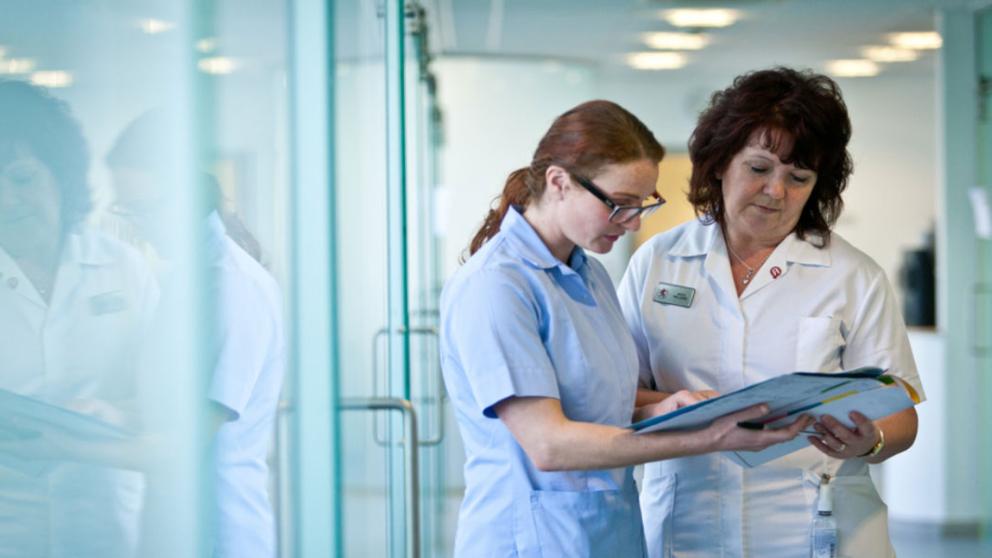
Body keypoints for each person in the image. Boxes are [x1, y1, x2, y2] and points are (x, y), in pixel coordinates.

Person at [440, 99, 813, 558]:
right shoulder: (496, 285)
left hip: (606, 534)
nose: (634, 222)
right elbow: (549, 444)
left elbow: (598, 403)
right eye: (619, 205)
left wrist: (669, 407)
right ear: (558, 182)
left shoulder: (590, 275)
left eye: (643, 204)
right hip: (530, 539)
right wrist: (709, 437)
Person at [617, 67, 926, 557]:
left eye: (798, 178)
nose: (776, 191)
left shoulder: (853, 275)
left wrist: (869, 441)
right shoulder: (658, 261)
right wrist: (672, 406)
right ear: (721, 162)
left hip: (816, 526)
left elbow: (901, 414)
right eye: (759, 169)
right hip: (688, 523)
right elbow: (617, 394)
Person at [105, 111, 286, 558]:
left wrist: (63, 446)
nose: (138, 226)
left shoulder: (233, 286)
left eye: (144, 210)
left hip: (220, 532)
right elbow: (175, 408)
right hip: (177, 525)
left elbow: (184, 443)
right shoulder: (190, 278)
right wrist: (110, 412)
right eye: (127, 211)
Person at [0, 80, 157, 557]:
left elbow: (162, 399)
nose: (6, 199)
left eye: (22, 178)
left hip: (104, 524)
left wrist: (115, 413)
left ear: (61, 176)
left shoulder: (123, 266)